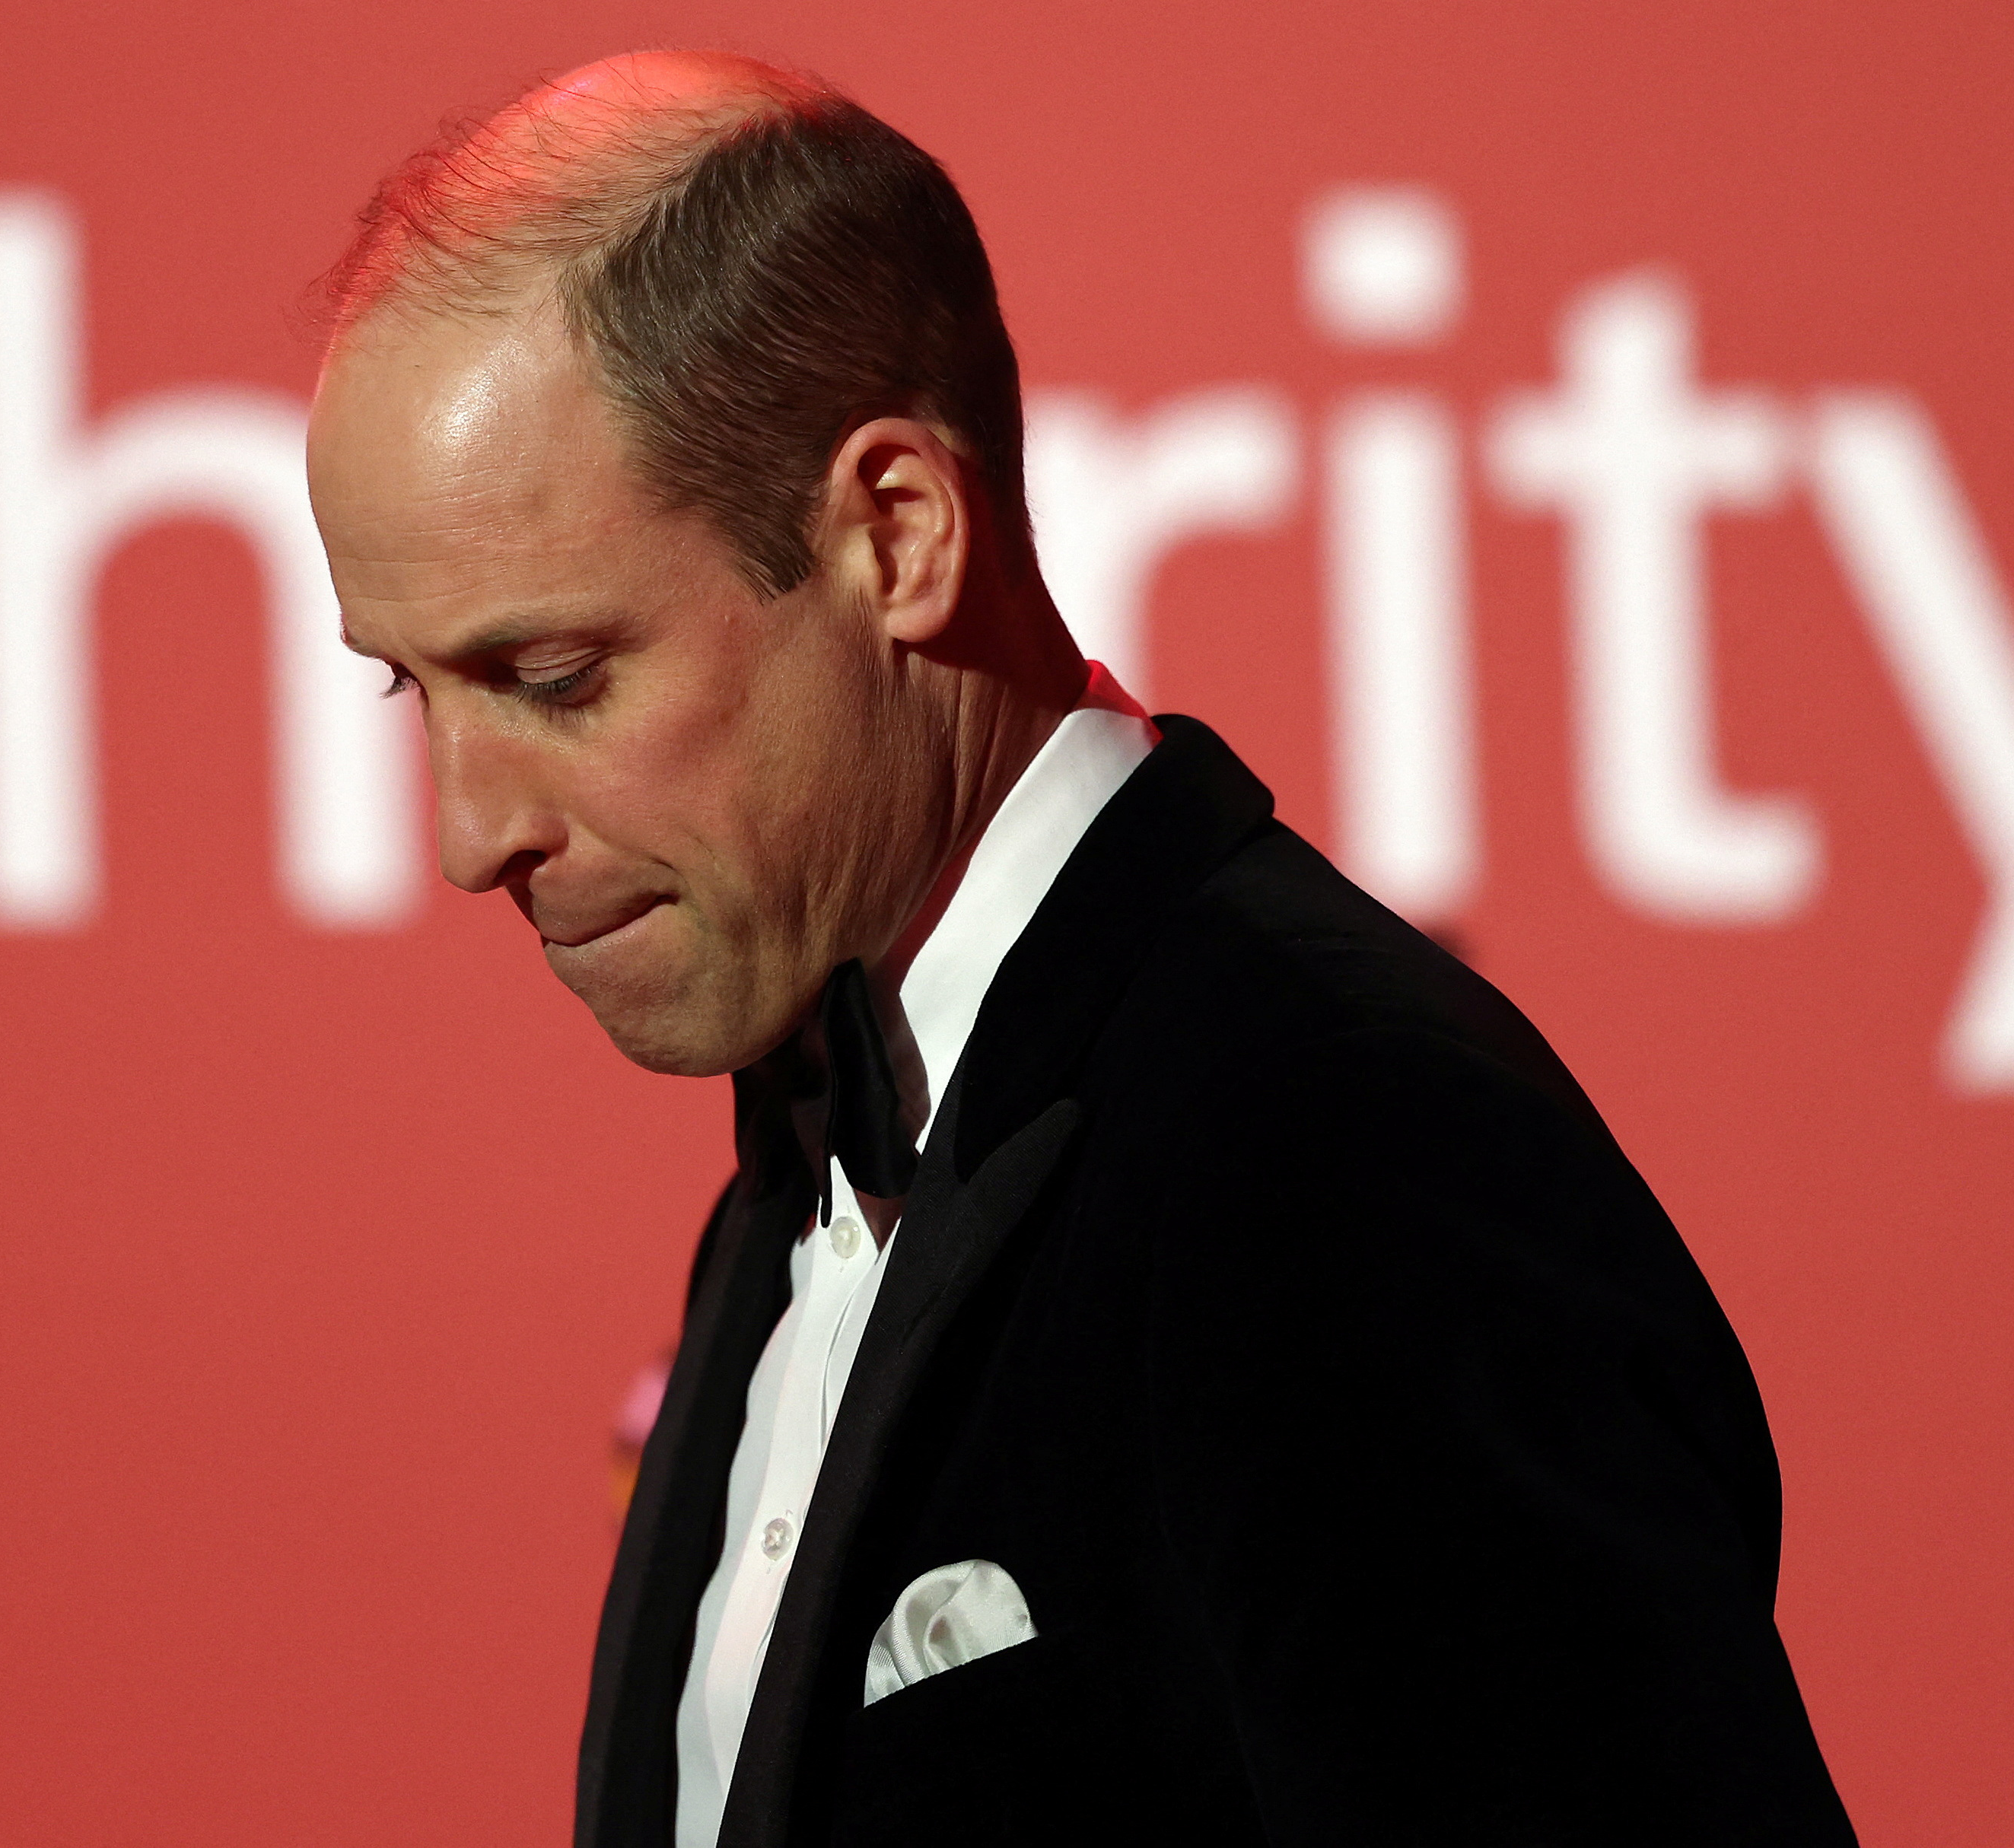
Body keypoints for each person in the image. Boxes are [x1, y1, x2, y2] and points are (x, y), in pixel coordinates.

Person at [305, 49, 1859, 1848]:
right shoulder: (799, 1177)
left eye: (555, 681)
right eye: (404, 692)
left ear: (896, 536)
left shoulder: (1341, 1157)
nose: (463, 830)